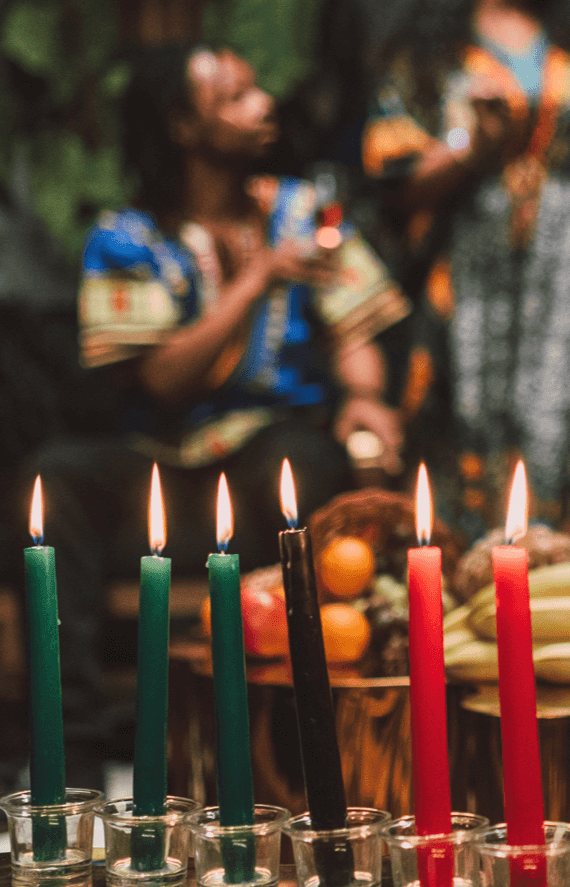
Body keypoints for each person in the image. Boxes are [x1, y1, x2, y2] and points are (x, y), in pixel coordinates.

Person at [33, 44, 409, 786]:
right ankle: (70, 752)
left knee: (301, 462)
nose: (263, 102)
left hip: (268, 457)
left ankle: (298, 739)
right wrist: (258, 277)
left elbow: (354, 331)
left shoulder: (302, 211)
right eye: (234, 97)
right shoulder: (126, 238)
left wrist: (364, 395)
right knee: (58, 476)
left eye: (255, 87)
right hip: (166, 471)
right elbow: (166, 380)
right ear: (182, 127)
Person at [362, 0, 570, 539]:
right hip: (472, 256)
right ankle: (476, 579)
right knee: (472, 407)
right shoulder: (427, 57)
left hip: (569, 255)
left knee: (566, 406)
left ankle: (565, 572)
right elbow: (395, 181)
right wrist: (479, 150)